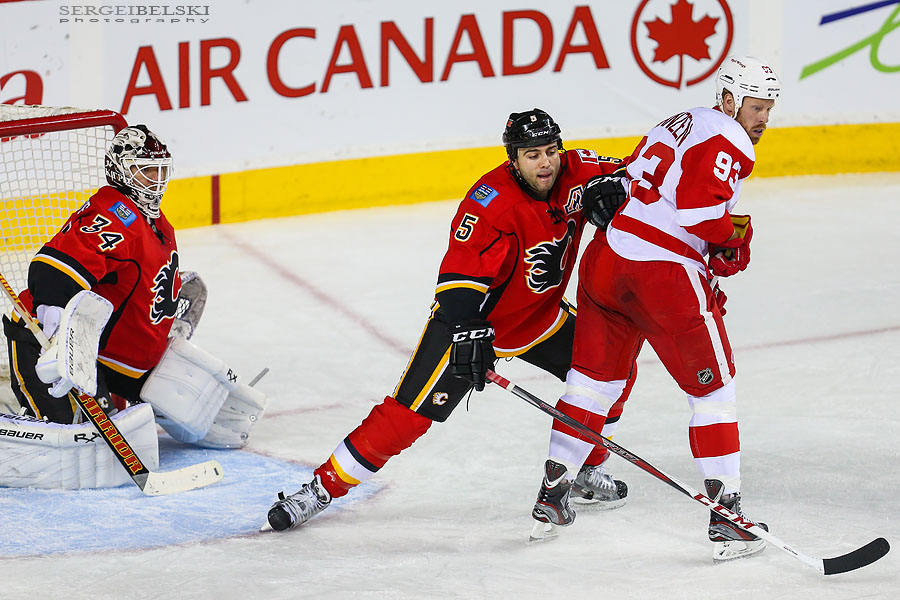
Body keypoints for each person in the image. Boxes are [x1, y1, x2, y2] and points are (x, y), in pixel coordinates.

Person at [264, 108, 636, 532]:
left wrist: (615, 185)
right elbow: (459, 280)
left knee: (615, 371)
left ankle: (584, 468)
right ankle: (320, 489)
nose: (546, 162)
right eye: (532, 155)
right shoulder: (490, 204)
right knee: (406, 417)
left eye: (551, 151)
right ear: (513, 158)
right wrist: (466, 329)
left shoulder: (577, 168)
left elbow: (642, 167)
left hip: (541, 316)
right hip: (475, 324)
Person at [531, 56, 782, 561]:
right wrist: (735, 235)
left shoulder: (679, 119)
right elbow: (700, 212)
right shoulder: (728, 137)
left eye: (769, 109)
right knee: (714, 392)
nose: (762, 119)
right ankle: (728, 517)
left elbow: (626, 179)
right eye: (756, 106)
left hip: (605, 262)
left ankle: (552, 495)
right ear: (729, 99)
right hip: (661, 275)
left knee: (591, 385)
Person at [0, 124, 265, 490]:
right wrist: (57, 324)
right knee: (70, 442)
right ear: (121, 171)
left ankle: (121, 391)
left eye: (160, 171)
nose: (155, 180)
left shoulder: (156, 222)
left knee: (120, 432)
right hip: (44, 338)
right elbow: (50, 270)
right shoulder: (114, 214)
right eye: (145, 170)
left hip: (105, 356)